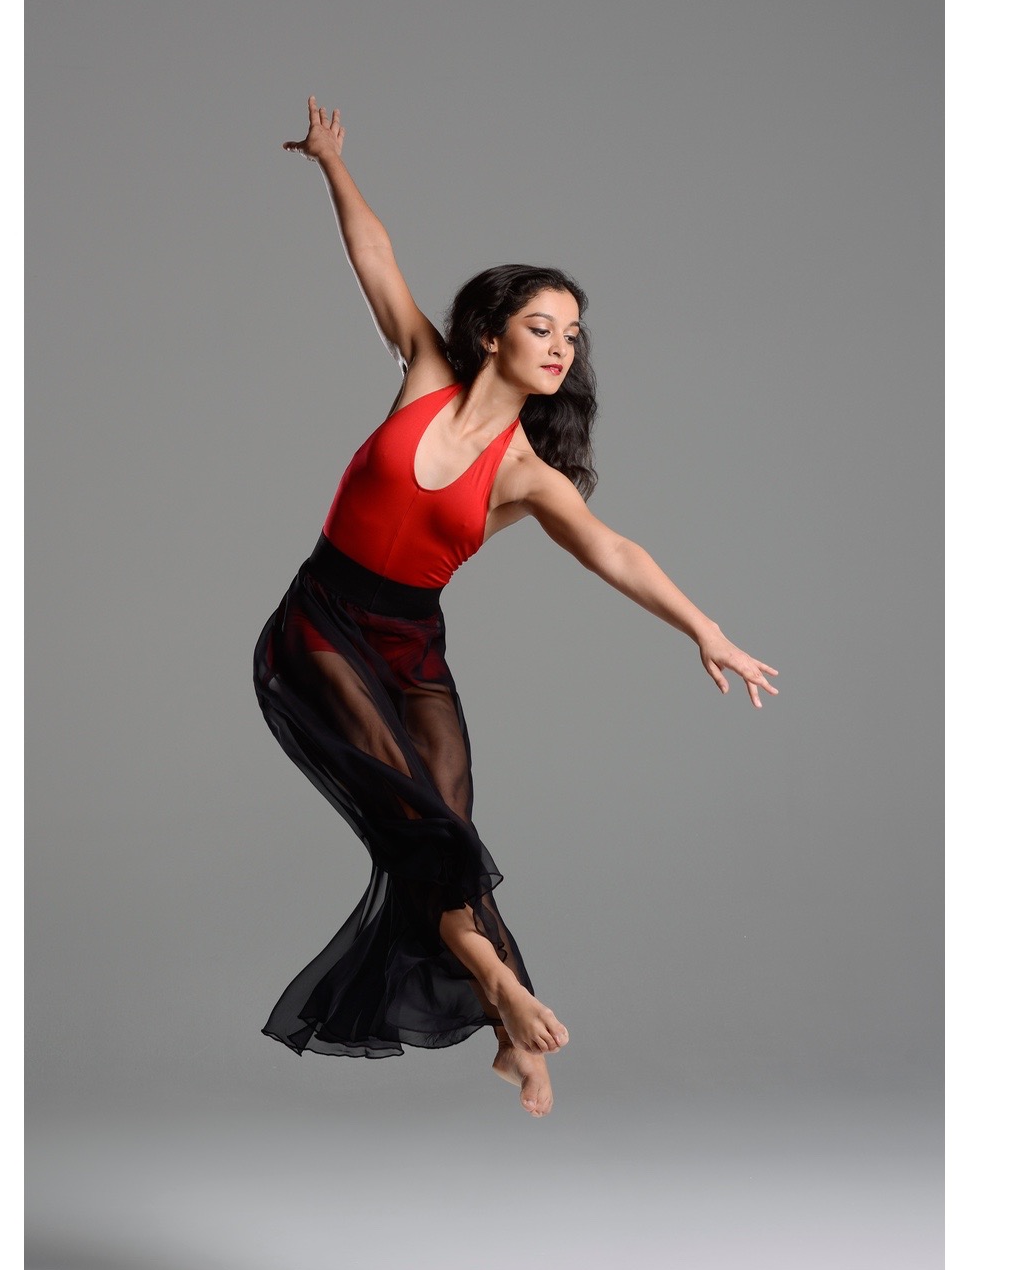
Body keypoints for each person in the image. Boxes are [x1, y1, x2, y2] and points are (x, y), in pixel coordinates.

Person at [256, 97, 780, 1118]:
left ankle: (509, 1031)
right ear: (490, 334)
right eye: (542, 327)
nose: (561, 347)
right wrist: (330, 165)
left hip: (411, 646)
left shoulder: (527, 474)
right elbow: (373, 252)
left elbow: (615, 552)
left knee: (444, 827)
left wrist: (704, 630)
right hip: (319, 624)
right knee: (421, 827)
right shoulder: (421, 372)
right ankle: (501, 990)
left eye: (572, 336)